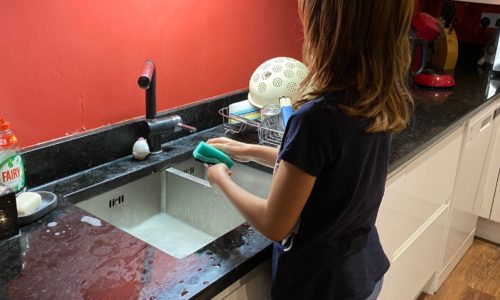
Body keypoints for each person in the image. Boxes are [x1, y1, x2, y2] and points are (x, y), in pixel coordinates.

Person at [206, 0, 414, 299]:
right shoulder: (375, 100)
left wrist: (221, 178)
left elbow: (274, 223)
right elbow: (320, 169)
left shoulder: (315, 118)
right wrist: (247, 149)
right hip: (361, 273)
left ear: (324, 27)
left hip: (319, 288)